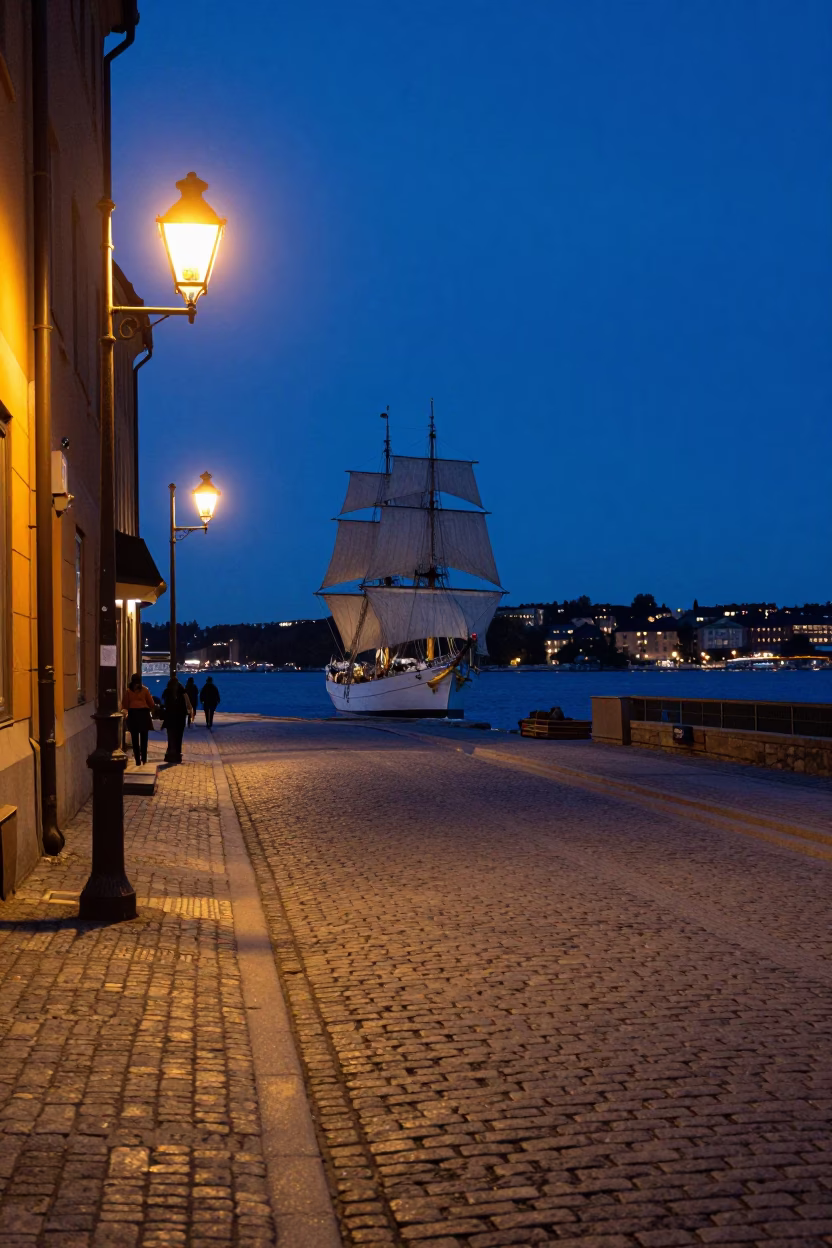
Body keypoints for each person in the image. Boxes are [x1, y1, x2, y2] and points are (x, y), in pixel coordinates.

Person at [121, 673, 155, 767]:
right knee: (144, 738)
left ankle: (137, 760)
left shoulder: (128, 691)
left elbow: (125, 705)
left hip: (133, 715)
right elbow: (151, 703)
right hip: (144, 715)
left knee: (135, 739)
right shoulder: (145, 690)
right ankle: (144, 758)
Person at [162, 676, 193, 764]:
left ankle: (171, 754)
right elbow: (188, 705)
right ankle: (177, 755)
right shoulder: (183, 692)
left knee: (171, 737)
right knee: (179, 737)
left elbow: (166, 705)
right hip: (180, 718)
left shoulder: (167, 692)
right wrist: (190, 715)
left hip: (170, 718)